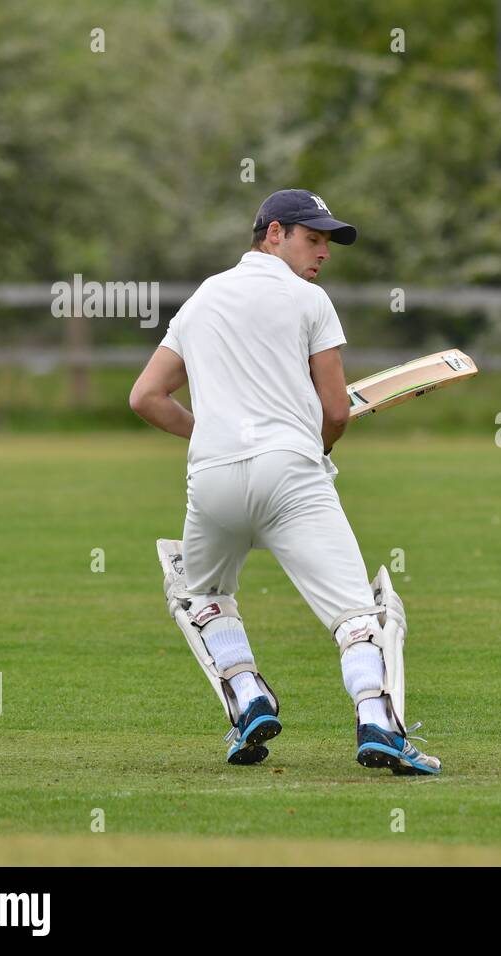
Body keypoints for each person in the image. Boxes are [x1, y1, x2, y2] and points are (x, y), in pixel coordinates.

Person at [129, 188, 441, 775]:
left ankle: (248, 697)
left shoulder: (200, 301)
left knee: (204, 600)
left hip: (212, 476)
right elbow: (337, 411)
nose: (322, 253)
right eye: (313, 239)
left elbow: (145, 397)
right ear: (274, 233)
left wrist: (210, 433)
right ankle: (376, 720)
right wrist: (316, 441)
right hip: (292, 474)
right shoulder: (309, 300)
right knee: (358, 614)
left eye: (327, 243)